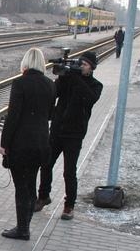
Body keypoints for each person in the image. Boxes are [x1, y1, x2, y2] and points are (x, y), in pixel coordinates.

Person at [36, 51, 104, 220]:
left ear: (92, 68)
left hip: (75, 134)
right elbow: (53, 93)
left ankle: (69, 205)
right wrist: (63, 78)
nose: (81, 67)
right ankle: (43, 196)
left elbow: (89, 99)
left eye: (85, 65)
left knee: (69, 171)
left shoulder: (96, 85)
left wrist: (75, 78)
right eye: (79, 63)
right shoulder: (69, 79)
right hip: (58, 129)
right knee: (46, 164)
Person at [0, 48, 54, 240]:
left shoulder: (20, 83)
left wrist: (4, 143)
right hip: (41, 142)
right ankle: (26, 225)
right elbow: (49, 114)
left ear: (25, 63)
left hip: (21, 144)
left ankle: (22, 229)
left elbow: (13, 116)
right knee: (31, 185)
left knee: (21, 188)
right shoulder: (49, 84)